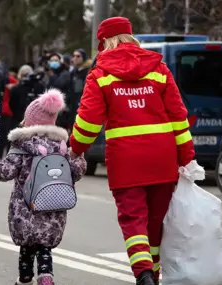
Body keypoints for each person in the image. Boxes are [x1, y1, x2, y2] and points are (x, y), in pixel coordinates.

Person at [68, 17, 195, 285]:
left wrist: (76, 148)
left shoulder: (100, 74)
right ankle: (154, 275)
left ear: (103, 42)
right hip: (163, 159)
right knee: (156, 224)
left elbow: (88, 122)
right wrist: (187, 157)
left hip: (126, 162)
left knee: (133, 220)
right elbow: (178, 117)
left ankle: (144, 274)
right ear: (130, 36)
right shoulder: (158, 69)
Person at [0, 89, 86, 285]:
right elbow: (76, 172)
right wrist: (78, 156)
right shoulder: (61, 146)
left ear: (30, 121)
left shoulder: (22, 145)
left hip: (26, 208)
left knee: (27, 248)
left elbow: (5, 171)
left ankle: (25, 278)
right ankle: (46, 276)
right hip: (53, 207)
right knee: (44, 247)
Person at [0, 67, 19, 158]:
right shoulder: (12, 81)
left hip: (5, 110)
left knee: (3, 135)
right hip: (8, 111)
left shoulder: (8, 81)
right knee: (7, 136)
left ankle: (0, 156)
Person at [68, 48, 92, 131]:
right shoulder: (74, 72)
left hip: (82, 104)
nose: (75, 58)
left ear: (83, 58)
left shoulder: (87, 71)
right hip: (73, 104)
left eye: (78, 56)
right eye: (73, 56)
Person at [46, 53, 72, 130]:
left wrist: (52, 76)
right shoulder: (47, 74)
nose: (54, 62)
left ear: (60, 62)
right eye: (52, 61)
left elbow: (58, 85)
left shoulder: (65, 73)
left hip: (62, 110)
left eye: (56, 60)